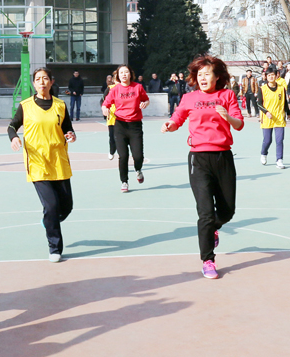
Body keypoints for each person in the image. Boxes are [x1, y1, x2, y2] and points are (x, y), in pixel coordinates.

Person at [161, 55, 244, 280]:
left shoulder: (227, 95)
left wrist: (227, 117)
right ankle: (208, 260)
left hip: (223, 158)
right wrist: (170, 124)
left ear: (217, 77)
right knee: (205, 213)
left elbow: (239, 124)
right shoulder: (189, 98)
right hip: (198, 159)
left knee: (227, 211)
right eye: (200, 75)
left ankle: (213, 228)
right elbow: (177, 118)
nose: (203, 78)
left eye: (207, 74)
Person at [8, 67, 76, 262]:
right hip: (37, 162)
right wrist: (14, 138)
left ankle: (49, 220)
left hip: (58, 160)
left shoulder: (60, 105)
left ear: (51, 82)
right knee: (51, 205)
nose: (42, 82)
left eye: (45, 78)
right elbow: (12, 126)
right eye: (38, 79)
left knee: (67, 206)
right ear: (34, 83)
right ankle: (55, 248)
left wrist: (71, 135)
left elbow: (68, 128)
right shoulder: (26, 106)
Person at [101, 65, 150, 192]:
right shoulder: (115, 89)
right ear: (118, 76)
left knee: (138, 156)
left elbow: (146, 99)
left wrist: (145, 103)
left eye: (126, 72)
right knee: (123, 156)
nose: (124, 74)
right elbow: (105, 103)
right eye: (121, 72)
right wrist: (105, 109)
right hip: (120, 126)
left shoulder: (138, 87)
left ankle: (138, 170)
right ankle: (124, 182)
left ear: (130, 74)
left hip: (135, 125)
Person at [258, 67, 289, 169]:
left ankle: (279, 160)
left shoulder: (281, 88)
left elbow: (284, 102)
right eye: (269, 75)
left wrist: (288, 113)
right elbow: (259, 104)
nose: (271, 77)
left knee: (279, 140)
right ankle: (263, 153)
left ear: (276, 76)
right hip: (267, 118)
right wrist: (266, 112)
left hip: (279, 118)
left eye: (273, 75)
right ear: (266, 77)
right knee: (267, 140)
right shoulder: (262, 89)